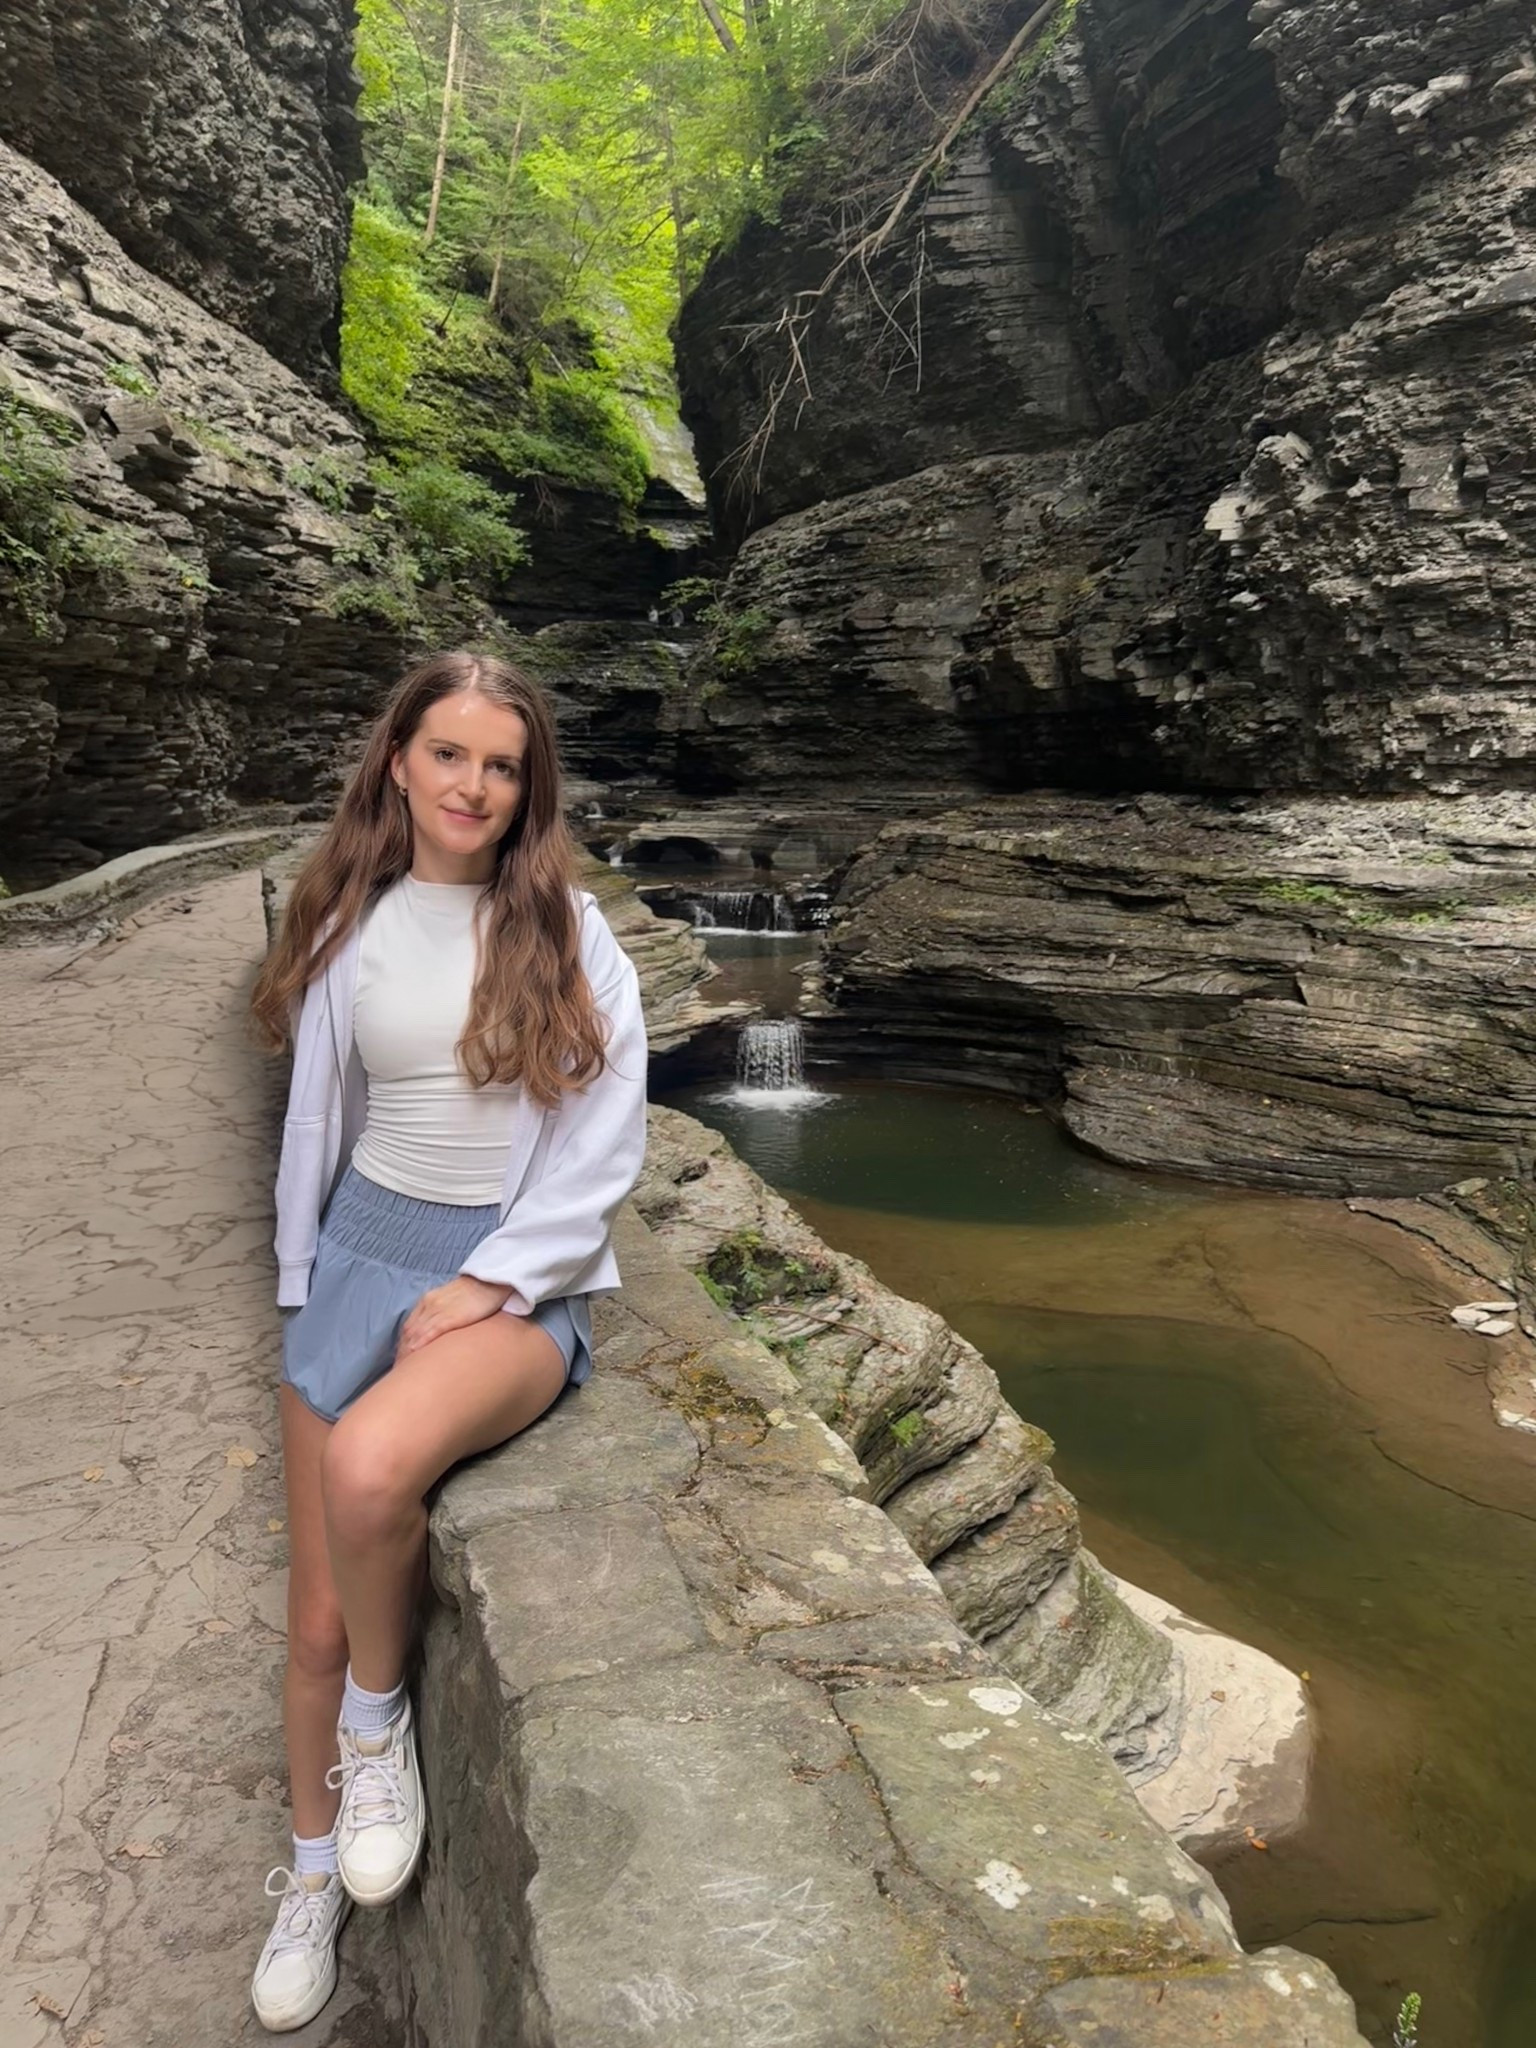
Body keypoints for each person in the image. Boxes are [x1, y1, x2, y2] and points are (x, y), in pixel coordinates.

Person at [244, 650, 647, 2031]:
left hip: (511, 1288)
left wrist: (493, 1278)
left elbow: (604, 1142)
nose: (474, 784)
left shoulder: (570, 932)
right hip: (358, 1258)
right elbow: (315, 1125)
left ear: (527, 783)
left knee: (371, 1475)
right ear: (400, 763)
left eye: (502, 763)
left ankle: (380, 1729)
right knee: (306, 1625)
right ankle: (306, 1880)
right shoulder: (350, 920)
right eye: (450, 755)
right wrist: (307, 1287)